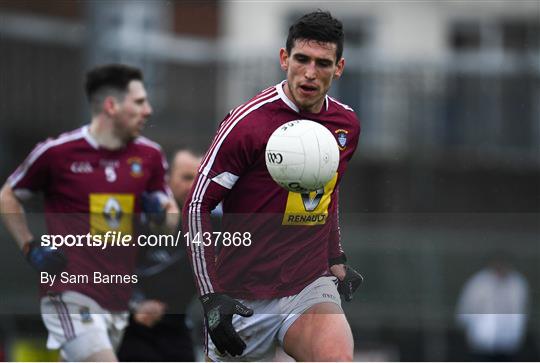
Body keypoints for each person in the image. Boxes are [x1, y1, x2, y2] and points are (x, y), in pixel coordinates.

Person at [183, 10, 363, 362]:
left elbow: (327, 189)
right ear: (285, 59)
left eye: (323, 63)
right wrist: (210, 296)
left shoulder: (346, 125)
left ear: (339, 67)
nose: (310, 73)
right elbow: (196, 205)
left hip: (308, 284)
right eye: (302, 59)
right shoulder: (247, 124)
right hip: (242, 298)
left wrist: (334, 256)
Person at [0, 64, 178, 362]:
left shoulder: (149, 156)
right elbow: (8, 195)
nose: (147, 110)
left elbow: (171, 220)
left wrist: (160, 213)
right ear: (111, 105)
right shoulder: (57, 153)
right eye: (139, 102)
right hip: (69, 293)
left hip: (117, 299)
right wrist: (30, 246)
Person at [118, 149, 200, 361]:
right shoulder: (138, 216)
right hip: (129, 327)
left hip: (177, 328)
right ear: (167, 179)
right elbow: (104, 267)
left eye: (199, 179)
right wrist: (136, 305)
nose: (192, 186)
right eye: (186, 177)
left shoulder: (209, 224)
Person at [456, 254, 529, 361]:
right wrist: (464, 321)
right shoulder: (479, 282)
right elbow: (468, 303)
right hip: (483, 337)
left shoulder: (516, 283)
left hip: (508, 339)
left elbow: (520, 307)